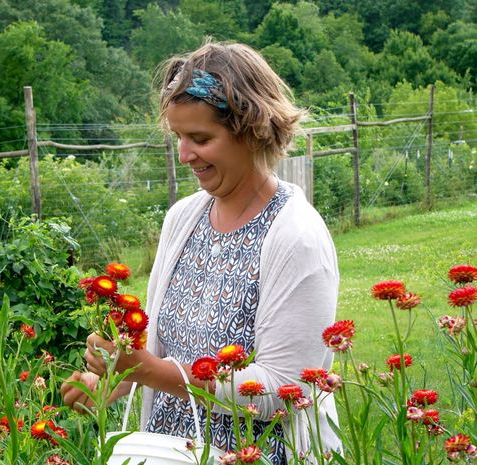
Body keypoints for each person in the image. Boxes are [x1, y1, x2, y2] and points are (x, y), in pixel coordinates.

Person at [62, 41, 341, 463]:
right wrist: (112, 383)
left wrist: (146, 370)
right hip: (166, 452)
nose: (184, 154)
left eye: (200, 138)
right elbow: (161, 349)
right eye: (178, 137)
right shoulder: (183, 218)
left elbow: (288, 390)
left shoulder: (296, 238)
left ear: (253, 128)